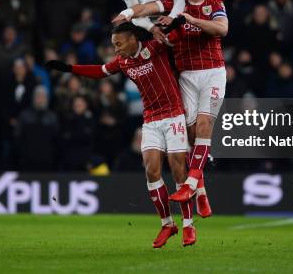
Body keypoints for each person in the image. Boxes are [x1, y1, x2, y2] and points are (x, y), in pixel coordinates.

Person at [45, 19, 196, 248]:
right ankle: (168, 224)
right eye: (113, 45)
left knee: (177, 169)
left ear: (133, 39)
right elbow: (99, 71)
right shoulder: (123, 62)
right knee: (151, 171)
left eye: (118, 43)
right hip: (151, 119)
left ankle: (188, 224)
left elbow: (178, 34)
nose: (115, 49)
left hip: (174, 114)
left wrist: (181, 18)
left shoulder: (156, 46)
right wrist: (69, 68)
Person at [113, 0, 228, 217]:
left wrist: (189, 19)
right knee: (189, 136)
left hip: (213, 71)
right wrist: (130, 11)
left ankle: (190, 184)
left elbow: (222, 29)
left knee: (204, 124)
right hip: (185, 75)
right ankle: (201, 193)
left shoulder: (215, 5)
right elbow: (149, 7)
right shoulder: (174, 2)